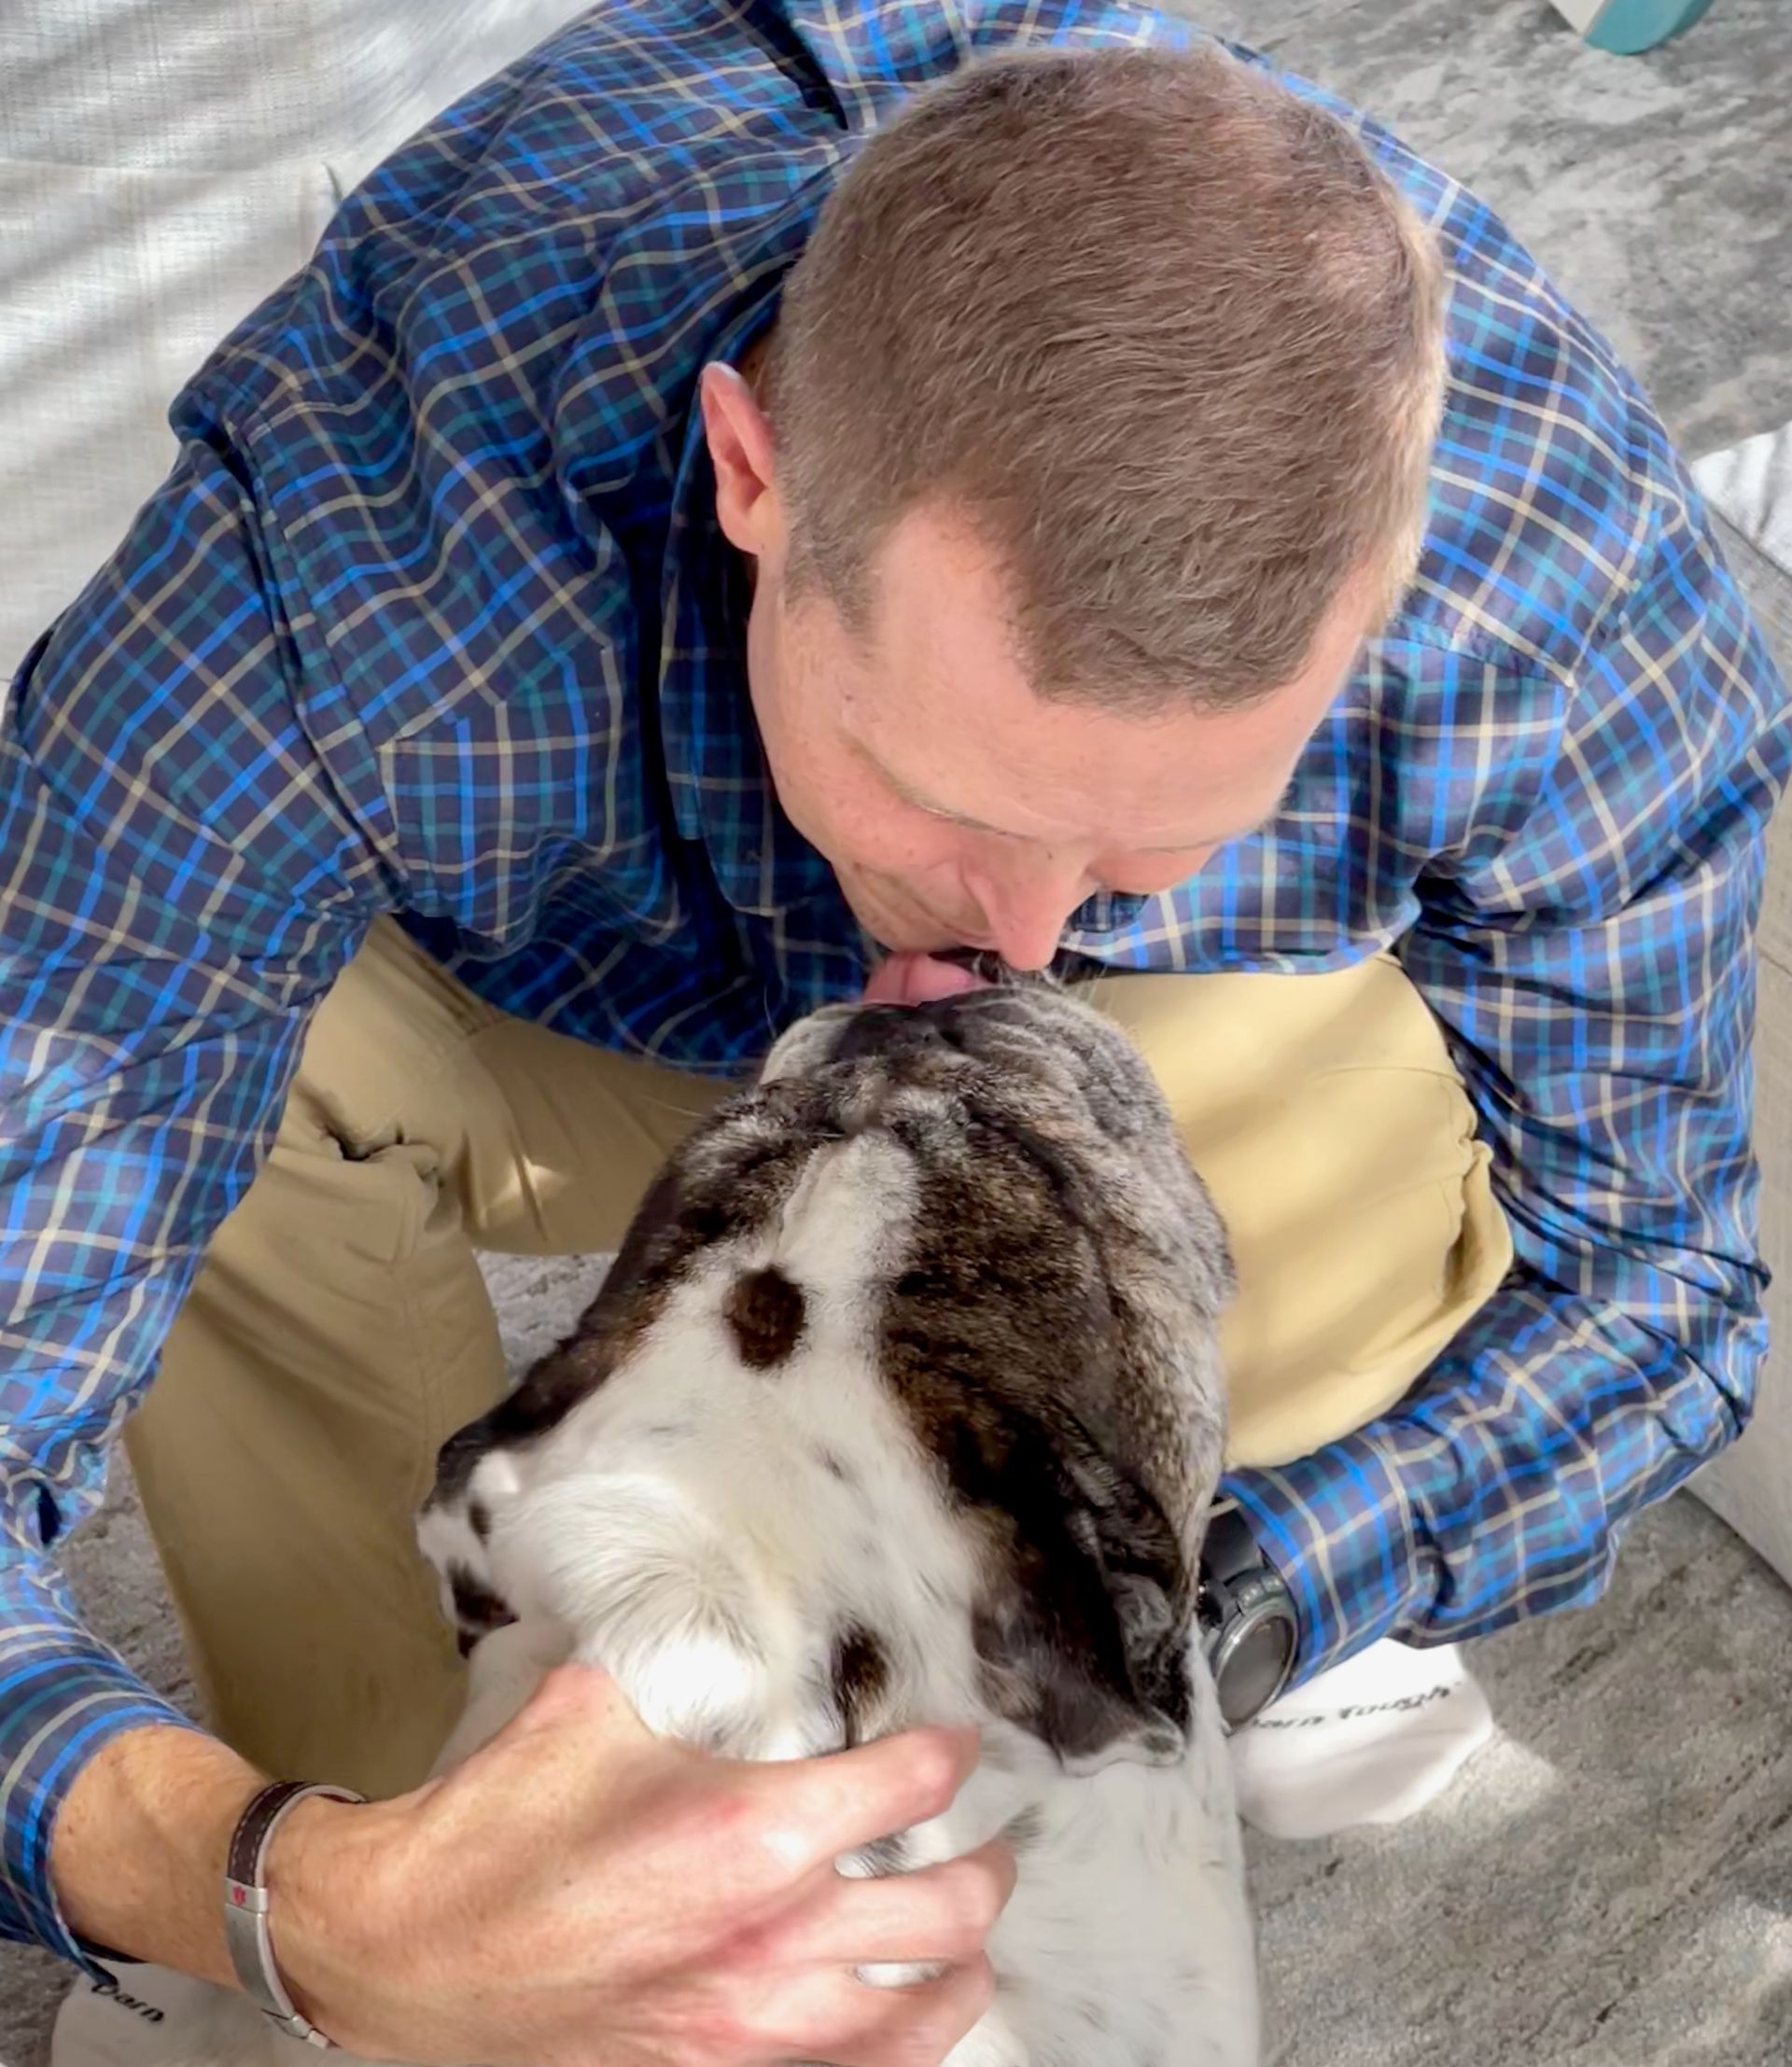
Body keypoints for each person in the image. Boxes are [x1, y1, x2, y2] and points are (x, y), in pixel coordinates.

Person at [3, 5, 1785, 2062]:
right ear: (751, 474)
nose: (1024, 939)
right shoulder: (367, 559)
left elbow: (1658, 1284)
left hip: (1194, 1154)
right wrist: (263, 1880)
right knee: (257, 1067)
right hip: (593, 1013)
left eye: (1150, 850)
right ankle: (420, 1831)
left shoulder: (1547, 585)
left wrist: (1212, 1600)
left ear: (1381, 599)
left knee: (1395, 1070)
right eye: (953, 800)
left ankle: (1275, 1487)